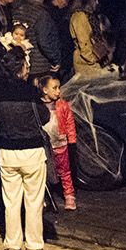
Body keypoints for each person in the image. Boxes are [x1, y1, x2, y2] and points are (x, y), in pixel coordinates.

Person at [0, 51, 49, 250]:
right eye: (26, 65)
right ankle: (34, 248)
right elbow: (44, 117)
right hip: (32, 150)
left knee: (11, 202)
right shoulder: (31, 92)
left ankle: (12, 247)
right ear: (20, 69)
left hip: (7, 151)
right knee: (34, 202)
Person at [37, 73, 78, 212]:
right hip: (44, 144)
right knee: (43, 171)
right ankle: (43, 197)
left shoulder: (63, 105)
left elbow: (69, 123)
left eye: (58, 88)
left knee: (65, 171)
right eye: (54, 88)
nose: (58, 91)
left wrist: (71, 140)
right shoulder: (37, 105)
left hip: (60, 143)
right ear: (44, 90)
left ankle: (69, 195)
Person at [15, 0, 63, 78]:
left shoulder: (18, 11)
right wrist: (55, 60)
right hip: (41, 66)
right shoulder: (42, 14)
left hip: (23, 65)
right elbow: (43, 41)